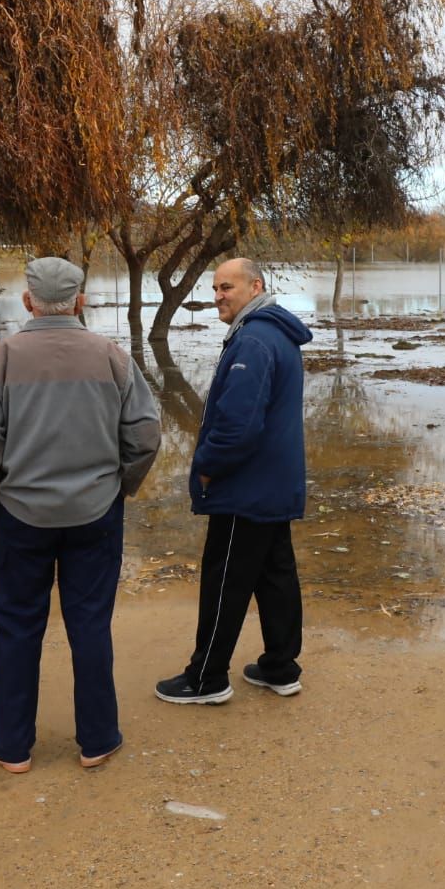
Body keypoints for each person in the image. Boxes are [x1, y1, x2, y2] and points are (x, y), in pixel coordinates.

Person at [0, 257, 161, 773]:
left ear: (28, 301)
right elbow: (143, 434)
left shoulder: (2, 359)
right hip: (95, 514)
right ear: (80, 300)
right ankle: (97, 739)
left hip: (20, 516)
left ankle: (11, 746)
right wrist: (121, 486)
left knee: (18, 627)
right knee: (90, 625)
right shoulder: (112, 356)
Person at [156, 257, 312, 705]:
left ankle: (206, 677)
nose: (218, 295)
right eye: (216, 287)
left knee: (225, 577)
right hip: (272, 482)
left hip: (247, 486)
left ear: (255, 286)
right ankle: (280, 667)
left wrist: (207, 465)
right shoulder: (271, 333)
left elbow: (238, 426)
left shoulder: (256, 341)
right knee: (275, 572)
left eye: (227, 286)